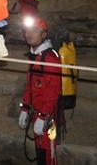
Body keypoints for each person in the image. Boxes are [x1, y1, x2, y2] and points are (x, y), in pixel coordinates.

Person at [18, 15, 62, 165]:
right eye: (28, 30)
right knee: (39, 153)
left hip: (50, 118)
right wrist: (25, 107)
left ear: (44, 34)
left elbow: (53, 92)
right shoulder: (34, 56)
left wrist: (43, 116)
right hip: (37, 113)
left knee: (48, 153)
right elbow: (29, 85)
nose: (29, 33)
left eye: (35, 30)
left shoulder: (50, 58)